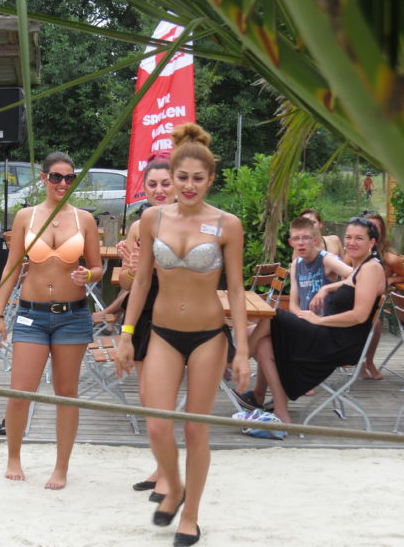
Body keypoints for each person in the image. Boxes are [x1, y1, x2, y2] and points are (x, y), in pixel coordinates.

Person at [114, 123, 249, 546]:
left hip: (209, 334)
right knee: (157, 426)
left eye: (198, 178)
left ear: (211, 180)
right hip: (163, 333)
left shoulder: (227, 224)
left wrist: (242, 350)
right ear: (170, 177)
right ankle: (172, 484)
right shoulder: (152, 219)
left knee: (195, 430)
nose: (189, 186)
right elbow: (139, 283)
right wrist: (125, 334)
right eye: (182, 177)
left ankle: (190, 515)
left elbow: (238, 289)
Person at [0, 151, 102, 490]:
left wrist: (88, 274)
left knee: (67, 393)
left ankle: (61, 467)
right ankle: (13, 456)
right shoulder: (27, 216)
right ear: (43, 179)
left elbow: (98, 267)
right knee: (20, 391)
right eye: (56, 177)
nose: (63, 184)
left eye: (70, 178)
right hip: (31, 314)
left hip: (72, 315)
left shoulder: (85, 220)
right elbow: (11, 269)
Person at [246, 216, 386, 425]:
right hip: (330, 335)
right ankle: (281, 412)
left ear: (372, 242)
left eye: (359, 238)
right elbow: (351, 280)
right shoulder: (361, 267)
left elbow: (359, 315)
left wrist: (318, 320)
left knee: (272, 319)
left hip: (340, 342)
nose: (351, 243)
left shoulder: (371, 268)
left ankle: (238, 358)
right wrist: (327, 287)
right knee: (265, 344)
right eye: (348, 237)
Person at [234, 216, 352, 410]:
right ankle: (261, 395)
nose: (301, 243)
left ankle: (238, 362)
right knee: (258, 339)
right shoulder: (297, 264)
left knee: (270, 322)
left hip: (323, 332)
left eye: (305, 238)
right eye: (296, 239)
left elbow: (357, 277)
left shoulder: (327, 260)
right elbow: (295, 304)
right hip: (304, 327)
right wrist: (299, 317)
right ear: (290, 242)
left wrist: (327, 289)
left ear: (315, 240)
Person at [116, 153, 174, 502]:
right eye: (152, 184)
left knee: (160, 396)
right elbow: (126, 282)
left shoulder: (190, 223)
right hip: (143, 309)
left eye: (165, 183)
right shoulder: (140, 225)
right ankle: (160, 466)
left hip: (174, 311)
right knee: (145, 396)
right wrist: (131, 265)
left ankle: (169, 473)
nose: (159, 190)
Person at [359, 212, 404, 380]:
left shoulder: (390, 258)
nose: (373, 230)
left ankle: (369, 361)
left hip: (374, 302)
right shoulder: (354, 251)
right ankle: (360, 363)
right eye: (369, 227)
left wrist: (388, 279)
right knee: (365, 322)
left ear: (382, 232)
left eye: (377, 228)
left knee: (376, 323)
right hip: (355, 298)